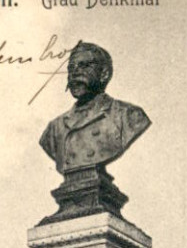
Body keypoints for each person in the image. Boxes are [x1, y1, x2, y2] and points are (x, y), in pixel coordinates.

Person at [39, 41, 151, 174]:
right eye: (71, 68)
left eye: (84, 66)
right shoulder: (54, 129)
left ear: (104, 74)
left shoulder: (128, 116)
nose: (75, 73)